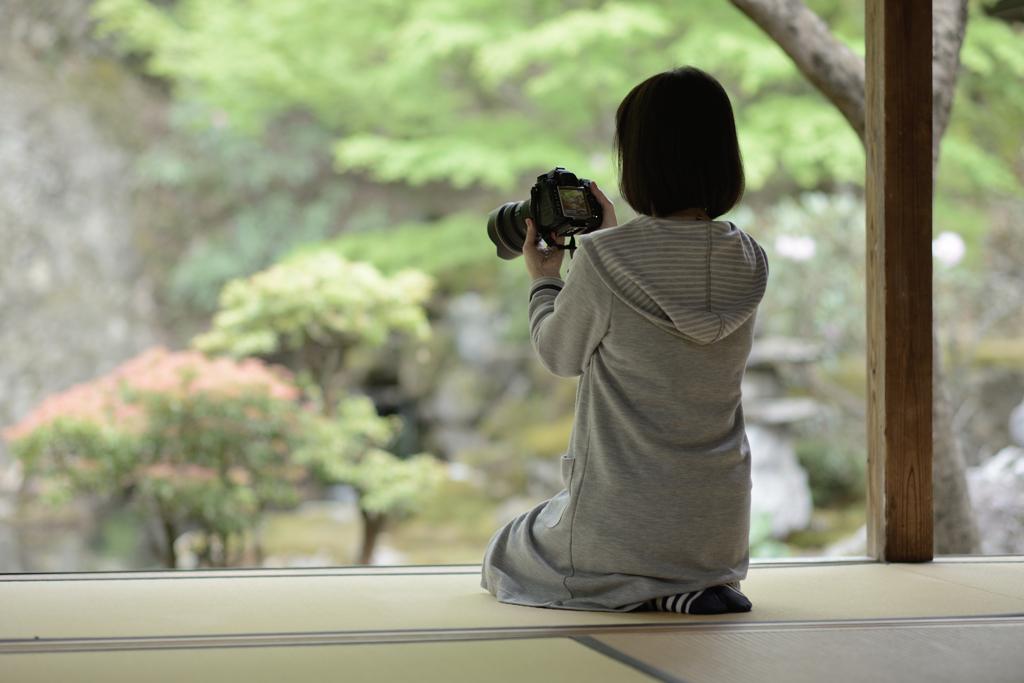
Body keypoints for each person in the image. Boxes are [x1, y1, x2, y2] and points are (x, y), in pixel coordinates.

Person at [480, 67, 769, 614]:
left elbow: (559, 355)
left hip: (621, 522)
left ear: (638, 160)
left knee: (508, 549)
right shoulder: (750, 257)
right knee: (652, 547)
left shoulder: (605, 259)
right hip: (719, 533)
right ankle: (686, 586)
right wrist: (605, 244)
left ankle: (645, 586)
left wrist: (546, 279)